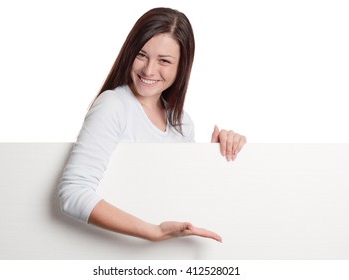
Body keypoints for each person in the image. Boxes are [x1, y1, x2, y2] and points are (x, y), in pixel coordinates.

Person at [58, 7, 246, 243]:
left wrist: (214, 157)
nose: (148, 70)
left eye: (164, 61)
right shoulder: (113, 105)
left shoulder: (182, 124)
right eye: (141, 55)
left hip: (169, 258)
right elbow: (73, 193)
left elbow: (186, 195)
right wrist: (153, 232)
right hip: (118, 254)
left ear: (182, 67)